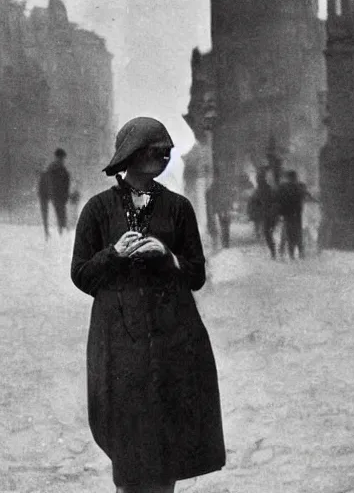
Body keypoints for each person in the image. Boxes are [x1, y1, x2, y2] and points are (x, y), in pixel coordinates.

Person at [70, 117, 226, 493]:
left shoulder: (178, 208)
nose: (165, 156)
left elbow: (196, 275)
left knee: (167, 444)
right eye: (156, 150)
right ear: (132, 155)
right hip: (119, 340)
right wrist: (114, 253)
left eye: (168, 151)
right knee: (128, 445)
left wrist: (169, 256)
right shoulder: (97, 210)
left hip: (172, 337)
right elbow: (81, 275)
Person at [275, 170, 315, 260]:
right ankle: (299, 252)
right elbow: (307, 195)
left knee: (288, 232)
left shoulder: (283, 187)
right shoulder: (300, 186)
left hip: (287, 212)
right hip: (297, 212)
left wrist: (278, 211)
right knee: (297, 232)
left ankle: (289, 252)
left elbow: (277, 198)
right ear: (295, 177)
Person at [40, 148, 72, 239]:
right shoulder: (54, 169)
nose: (62, 160)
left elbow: (66, 184)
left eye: (62, 159)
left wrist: (64, 195)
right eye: (61, 158)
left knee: (60, 212)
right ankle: (51, 232)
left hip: (55, 194)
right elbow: (50, 183)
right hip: (49, 193)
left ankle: (61, 231)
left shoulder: (61, 170)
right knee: (58, 211)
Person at [249, 168, 279, 259]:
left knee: (267, 233)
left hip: (266, 214)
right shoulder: (269, 189)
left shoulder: (259, 190)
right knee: (268, 232)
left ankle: (273, 250)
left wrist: (254, 212)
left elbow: (254, 202)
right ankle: (273, 250)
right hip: (271, 214)